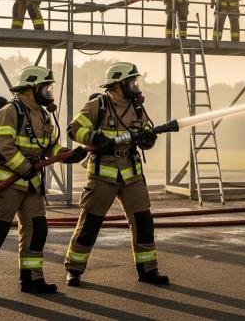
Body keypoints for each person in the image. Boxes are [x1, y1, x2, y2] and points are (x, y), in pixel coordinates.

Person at [0, 66, 86, 298]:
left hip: (31, 183)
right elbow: (3, 147)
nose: (48, 92)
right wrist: (26, 169)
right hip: (7, 181)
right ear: (31, 88)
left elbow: (48, 146)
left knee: (36, 229)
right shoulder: (8, 111)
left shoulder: (42, 114)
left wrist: (68, 154)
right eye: (45, 87)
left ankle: (32, 278)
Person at [64, 62, 169, 287]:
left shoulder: (138, 107)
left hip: (132, 175)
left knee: (143, 223)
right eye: (131, 81)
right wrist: (95, 138)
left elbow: (144, 134)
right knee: (90, 224)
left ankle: (148, 270)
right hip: (103, 174)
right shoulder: (98, 105)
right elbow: (74, 129)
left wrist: (148, 139)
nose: (135, 85)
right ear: (119, 84)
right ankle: (74, 269)